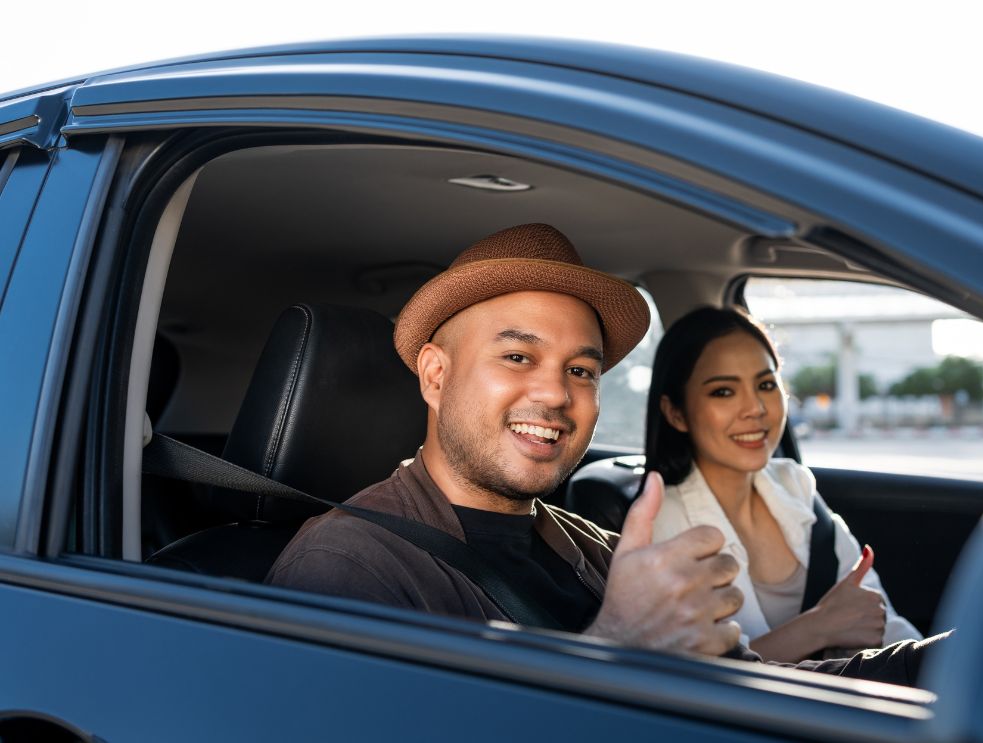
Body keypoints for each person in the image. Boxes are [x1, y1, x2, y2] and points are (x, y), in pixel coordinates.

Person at [266, 223, 940, 685]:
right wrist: (616, 646)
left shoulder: (590, 546)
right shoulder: (346, 567)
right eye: (518, 356)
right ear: (436, 376)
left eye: (581, 370)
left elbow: (751, 688)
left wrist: (930, 665)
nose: (555, 393)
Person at [646, 306, 921, 663]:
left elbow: (882, 621)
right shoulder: (664, 524)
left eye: (765, 385)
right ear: (676, 413)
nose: (756, 408)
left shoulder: (796, 485)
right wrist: (819, 627)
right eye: (723, 392)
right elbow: (701, 674)